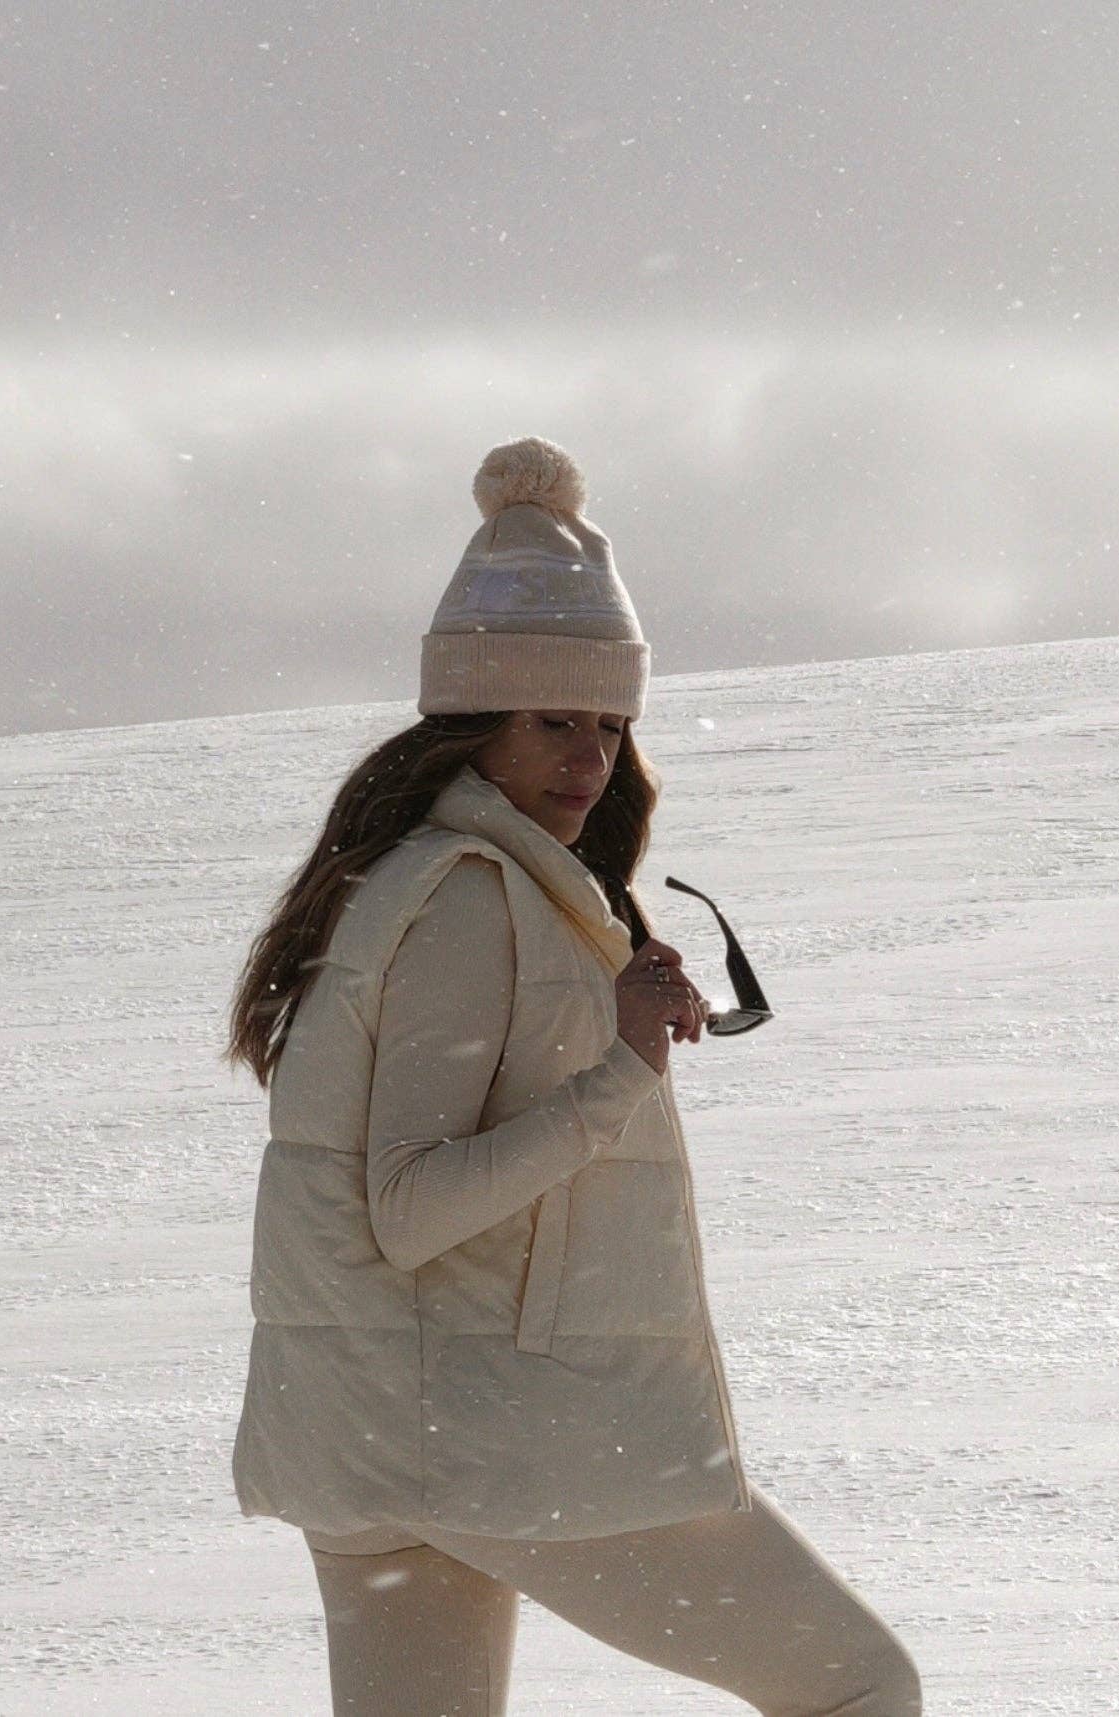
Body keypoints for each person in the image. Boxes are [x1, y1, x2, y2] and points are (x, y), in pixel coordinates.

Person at [224, 436, 923, 1715]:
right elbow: (412, 1202)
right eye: (555, 721)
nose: (590, 757)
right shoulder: (466, 898)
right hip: (492, 1437)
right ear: (469, 721)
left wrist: (617, 1022)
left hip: (389, 1434)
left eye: (608, 725)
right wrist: (621, 1070)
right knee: (860, 1686)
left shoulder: (438, 888)